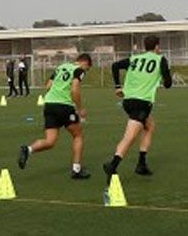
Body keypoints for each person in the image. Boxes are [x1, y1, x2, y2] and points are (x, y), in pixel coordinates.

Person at [103, 36, 173, 179]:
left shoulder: (135, 58)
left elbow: (115, 66)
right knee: (130, 136)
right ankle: (113, 164)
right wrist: (165, 76)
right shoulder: (160, 60)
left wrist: (118, 86)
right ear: (157, 47)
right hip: (142, 102)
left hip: (128, 100)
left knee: (150, 126)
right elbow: (168, 84)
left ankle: (142, 163)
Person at [17, 53, 92, 179]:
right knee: (78, 135)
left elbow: (48, 85)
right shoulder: (78, 71)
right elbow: (75, 90)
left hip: (49, 104)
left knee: (50, 141)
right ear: (85, 63)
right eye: (87, 68)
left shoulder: (61, 67)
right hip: (64, 106)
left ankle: (28, 149)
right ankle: (76, 169)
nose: (86, 71)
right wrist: (80, 109)